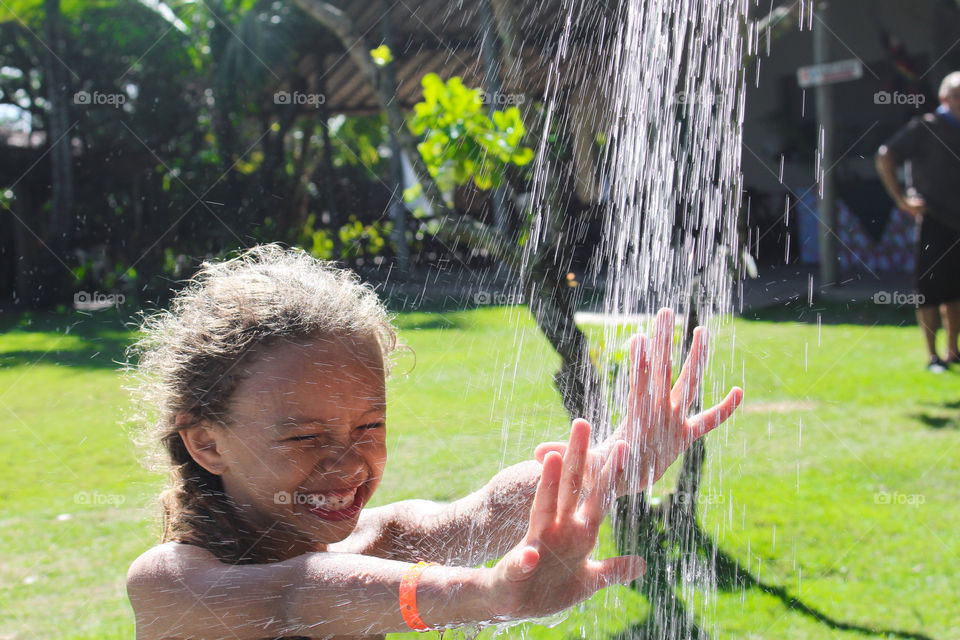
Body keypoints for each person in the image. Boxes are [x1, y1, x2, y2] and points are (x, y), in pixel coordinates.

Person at [125, 244, 742, 640]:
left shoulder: (379, 541)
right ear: (207, 444)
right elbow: (297, 597)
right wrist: (487, 594)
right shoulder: (171, 582)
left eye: (369, 427)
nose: (346, 463)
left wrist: (619, 460)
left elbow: (485, 512)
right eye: (305, 436)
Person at [876, 71, 960, 373]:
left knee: (955, 292)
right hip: (934, 221)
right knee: (930, 292)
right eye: (956, 96)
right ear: (944, 98)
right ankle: (932, 356)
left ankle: (953, 352)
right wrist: (901, 199)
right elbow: (886, 155)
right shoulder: (925, 127)